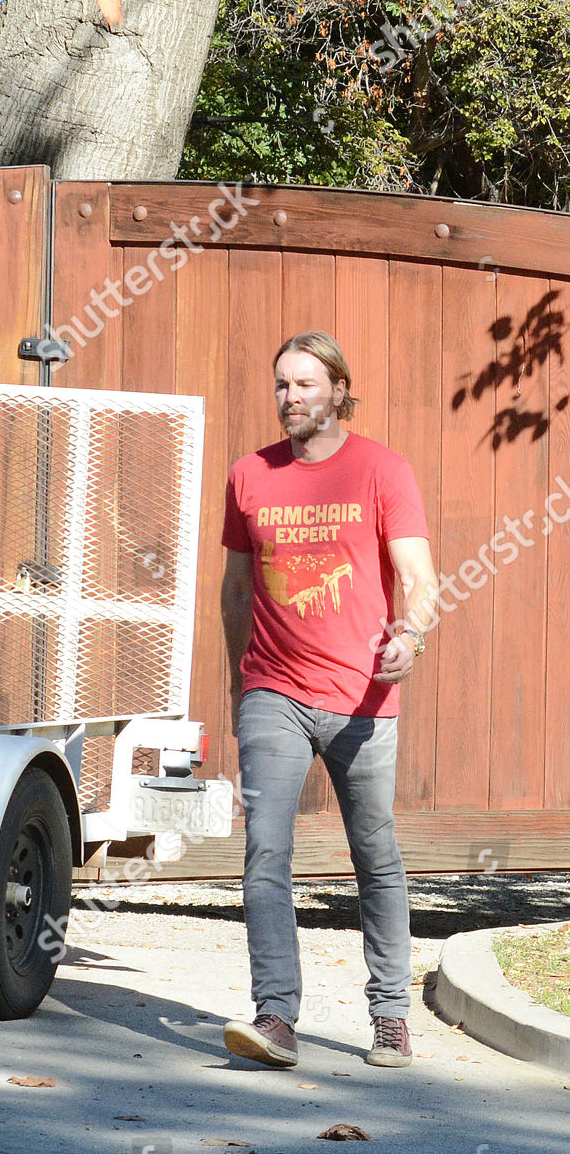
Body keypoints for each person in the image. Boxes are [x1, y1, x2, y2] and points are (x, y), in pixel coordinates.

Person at [219, 330, 439, 1069]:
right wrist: (239, 678)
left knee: (374, 853)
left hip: (363, 696)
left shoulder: (382, 469)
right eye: (281, 384)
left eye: (305, 384)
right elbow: (239, 586)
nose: (289, 398)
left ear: (339, 389)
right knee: (265, 851)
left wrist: (410, 636)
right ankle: (276, 1015)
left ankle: (389, 1016)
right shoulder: (249, 475)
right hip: (273, 688)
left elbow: (419, 574)